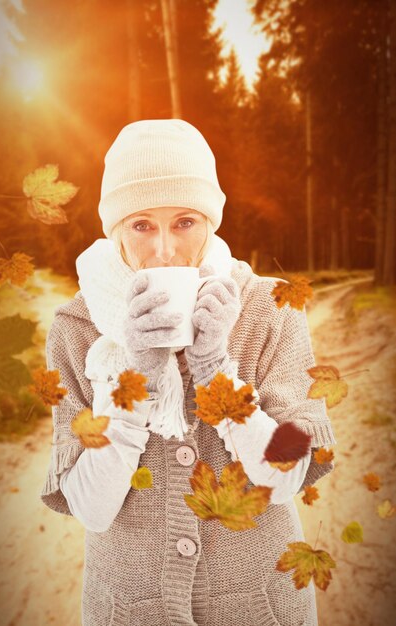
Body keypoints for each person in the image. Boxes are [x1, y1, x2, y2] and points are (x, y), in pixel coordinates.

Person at [40, 118, 337, 626]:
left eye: (184, 222)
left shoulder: (270, 308)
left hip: (261, 608)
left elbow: (285, 476)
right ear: (115, 231)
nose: (164, 250)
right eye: (141, 225)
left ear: (210, 222)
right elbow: (90, 508)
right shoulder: (76, 327)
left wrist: (215, 369)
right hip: (130, 611)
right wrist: (135, 380)